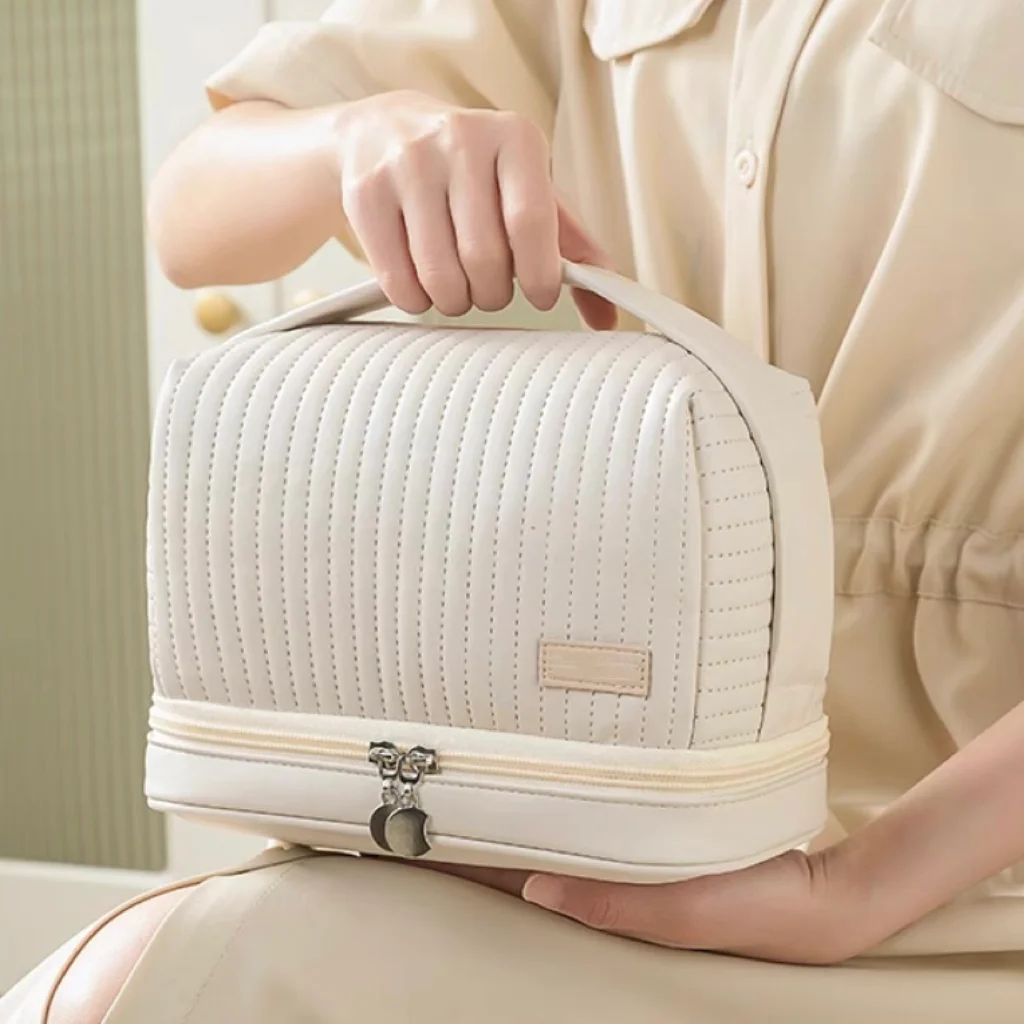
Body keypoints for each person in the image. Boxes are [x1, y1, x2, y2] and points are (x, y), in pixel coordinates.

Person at [5, 1, 1024, 1020]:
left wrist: (851, 891)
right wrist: (352, 139)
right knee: (132, 989)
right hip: (601, 812)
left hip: (966, 880)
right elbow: (190, 213)